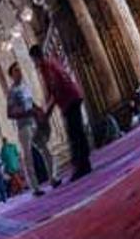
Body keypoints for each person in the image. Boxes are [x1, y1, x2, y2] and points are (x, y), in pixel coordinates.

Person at [30, 45, 92, 180]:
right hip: (71, 97)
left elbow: (56, 88)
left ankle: (82, 165)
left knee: (74, 133)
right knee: (77, 131)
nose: (34, 64)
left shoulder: (46, 67)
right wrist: (47, 108)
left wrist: (48, 112)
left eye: (34, 60)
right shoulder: (50, 63)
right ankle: (84, 163)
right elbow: (51, 90)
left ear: (36, 58)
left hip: (69, 99)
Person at [7, 61, 59, 195]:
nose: (20, 72)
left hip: (34, 124)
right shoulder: (12, 92)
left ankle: (53, 178)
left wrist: (38, 110)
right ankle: (35, 188)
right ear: (12, 75)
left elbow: (31, 103)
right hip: (24, 127)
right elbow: (10, 113)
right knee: (28, 157)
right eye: (16, 71)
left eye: (20, 70)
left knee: (46, 151)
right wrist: (27, 113)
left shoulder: (25, 87)